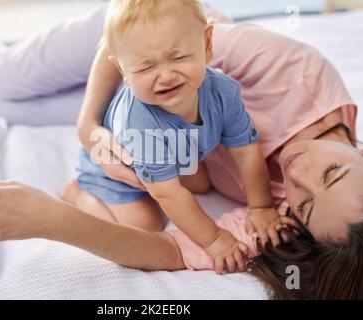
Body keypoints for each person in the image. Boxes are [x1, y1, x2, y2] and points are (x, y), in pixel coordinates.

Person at [0, 4, 363, 299]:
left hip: (141, 105)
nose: (297, 176)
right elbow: (138, 46)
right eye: (331, 172)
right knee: (1, 81)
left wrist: (49, 219)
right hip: (135, 45)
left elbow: (167, 250)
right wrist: (88, 127)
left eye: (306, 205)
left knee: (1, 109)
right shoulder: (296, 71)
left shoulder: (279, 214)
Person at [60, 0, 293, 273]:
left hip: (175, 157)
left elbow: (246, 151)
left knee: (202, 184)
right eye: (145, 67)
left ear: (206, 44)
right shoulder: (141, 124)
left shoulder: (223, 92)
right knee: (144, 225)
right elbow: (168, 195)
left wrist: (262, 206)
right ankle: (78, 193)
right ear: (122, 70)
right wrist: (214, 239)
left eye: (179, 57)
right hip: (115, 173)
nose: (167, 75)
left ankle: (163, 169)